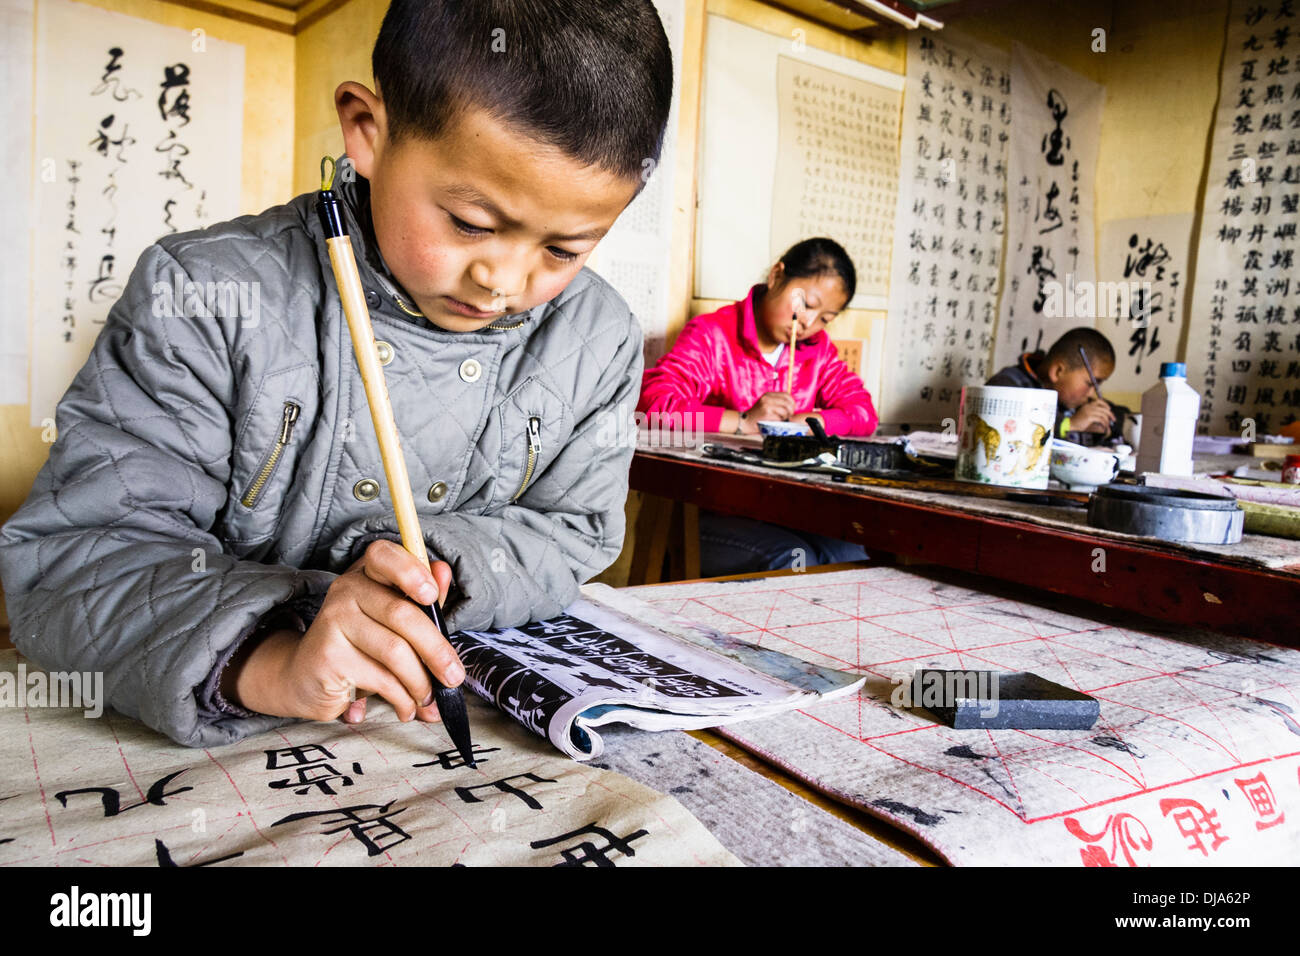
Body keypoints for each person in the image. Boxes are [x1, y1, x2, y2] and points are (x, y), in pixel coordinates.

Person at [0, 0, 673, 747]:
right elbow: (75, 561)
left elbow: (574, 529)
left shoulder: (599, 335)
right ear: (367, 131)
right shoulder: (203, 294)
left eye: (565, 249)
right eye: (473, 223)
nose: (502, 281)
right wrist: (271, 660)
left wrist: (444, 567)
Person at [638, 238, 877, 575]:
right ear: (777, 276)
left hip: (784, 509)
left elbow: (863, 414)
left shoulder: (817, 352)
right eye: (807, 304)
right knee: (795, 561)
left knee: (852, 554)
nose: (809, 323)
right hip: (704, 515)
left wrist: (810, 422)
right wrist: (743, 421)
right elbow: (654, 405)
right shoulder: (713, 336)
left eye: (826, 318)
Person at [987, 328, 1121, 442]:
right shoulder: (1007, 386)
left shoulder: (1073, 401)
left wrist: (1104, 428)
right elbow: (1007, 434)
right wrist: (1068, 425)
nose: (1092, 394)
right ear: (1058, 372)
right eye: (1090, 383)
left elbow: (1120, 416)